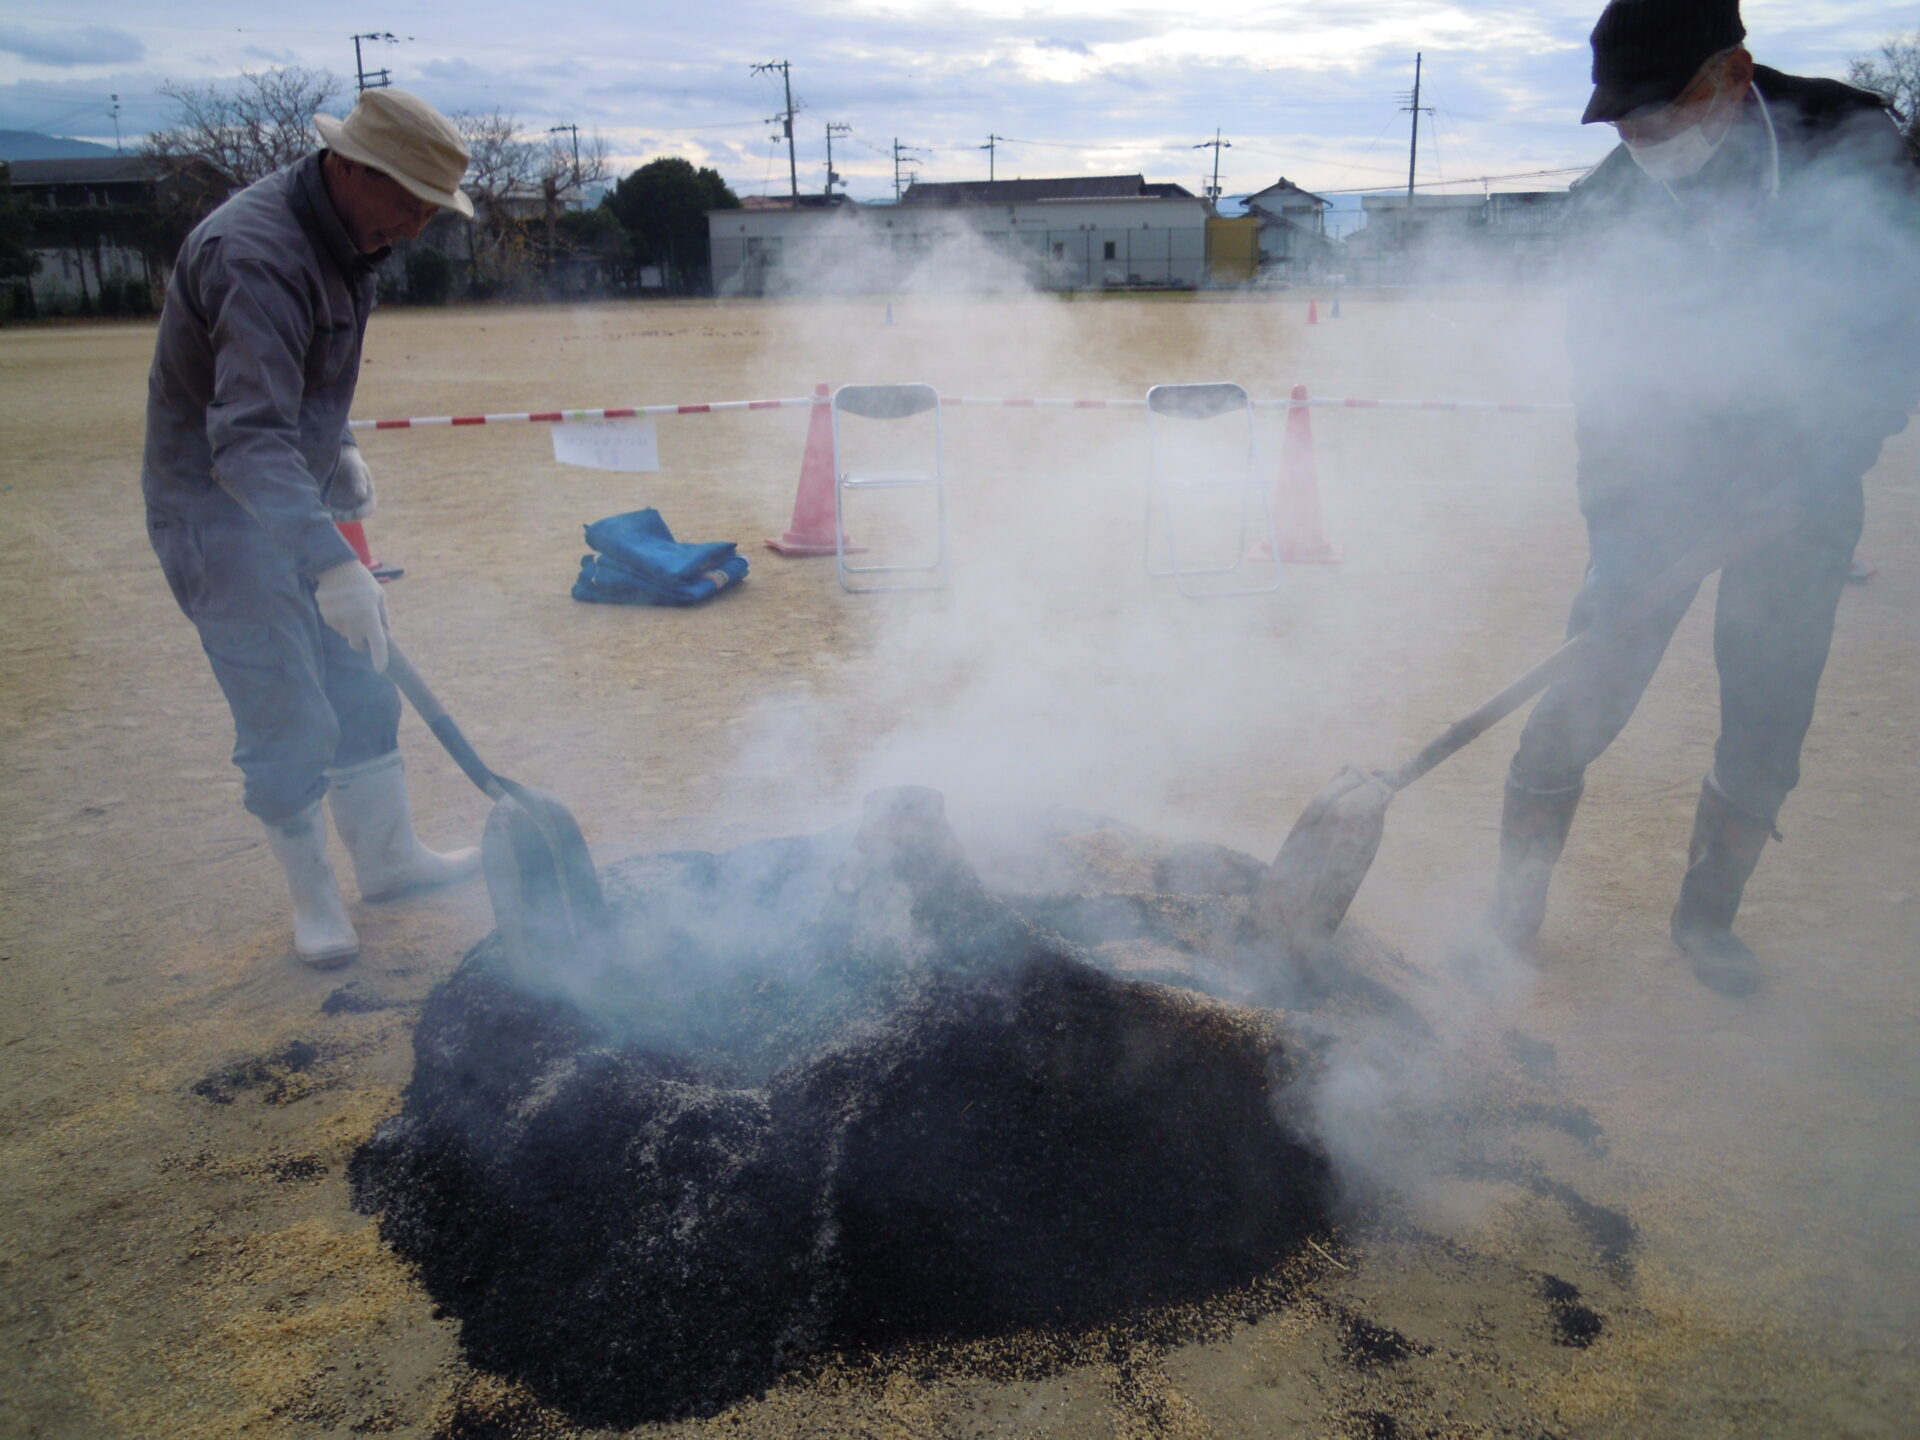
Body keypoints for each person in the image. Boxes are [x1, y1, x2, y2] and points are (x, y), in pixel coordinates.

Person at [1486, 0, 1920, 994]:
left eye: (1658, 112)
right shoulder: (1606, 211)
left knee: (1769, 717)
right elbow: (1611, 405)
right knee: (1584, 689)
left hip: (1808, 483)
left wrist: (1828, 462)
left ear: (1732, 77)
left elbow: (1899, 324)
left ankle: (1706, 923)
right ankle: (1510, 910)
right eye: (1620, 121)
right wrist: (1628, 544)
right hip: (1659, 483)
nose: (1639, 139)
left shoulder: (1850, 142)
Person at [143, 88, 480, 969]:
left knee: (361, 681)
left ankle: (389, 859)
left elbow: (297, 385)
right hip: (218, 514)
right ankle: (314, 898)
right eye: (407, 202)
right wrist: (332, 564)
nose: (413, 228)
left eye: (428, 210)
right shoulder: (255, 254)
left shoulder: (344, 237)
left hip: (293, 491)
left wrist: (343, 446)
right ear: (351, 167)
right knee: (285, 705)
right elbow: (244, 439)